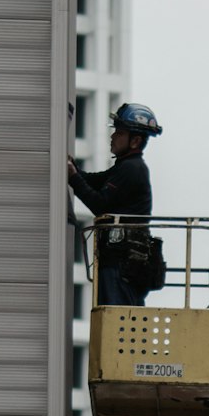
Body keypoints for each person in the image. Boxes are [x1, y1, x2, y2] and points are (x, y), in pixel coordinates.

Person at [67, 102, 162, 306]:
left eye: (119, 133)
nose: (113, 137)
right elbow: (94, 180)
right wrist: (72, 169)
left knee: (117, 318)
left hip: (122, 264)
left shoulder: (132, 169)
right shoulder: (127, 166)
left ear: (135, 141)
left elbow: (100, 205)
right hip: (121, 261)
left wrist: (73, 177)